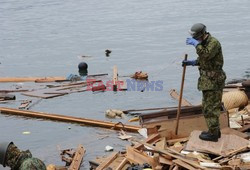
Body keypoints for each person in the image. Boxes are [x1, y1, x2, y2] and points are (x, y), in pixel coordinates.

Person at [183, 23, 226, 142]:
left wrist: (196, 45)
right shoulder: (204, 43)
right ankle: (214, 131)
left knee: (211, 108)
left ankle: (213, 135)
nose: (195, 40)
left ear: (201, 35)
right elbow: (205, 60)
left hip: (214, 81)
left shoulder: (213, 42)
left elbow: (206, 55)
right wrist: (193, 62)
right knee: (208, 107)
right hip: (207, 82)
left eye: (196, 38)